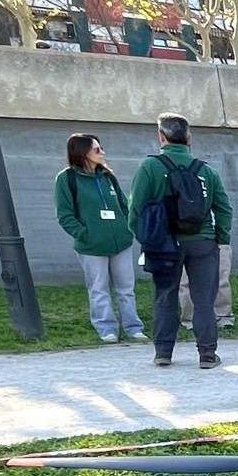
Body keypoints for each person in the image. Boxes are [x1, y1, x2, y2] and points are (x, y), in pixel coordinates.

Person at [127, 111, 232, 369]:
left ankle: (163, 353)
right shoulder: (206, 170)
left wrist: (144, 238)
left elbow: (136, 207)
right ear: (189, 138)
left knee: (165, 296)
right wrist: (220, 238)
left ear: (161, 137)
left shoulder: (150, 167)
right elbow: (223, 209)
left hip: (164, 244)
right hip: (203, 242)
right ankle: (207, 354)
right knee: (204, 300)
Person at [54, 133, 145, 344]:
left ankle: (134, 328)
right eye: (97, 149)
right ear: (82, 152)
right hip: (91, 246)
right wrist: (84, 234)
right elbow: (65, 215)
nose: (102, 152)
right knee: (98, 288)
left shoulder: (107, 176)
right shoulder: (66, 179)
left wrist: (127, 229)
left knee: (126, 289)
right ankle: (107, 329)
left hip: (120, 242)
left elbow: (125, 206)